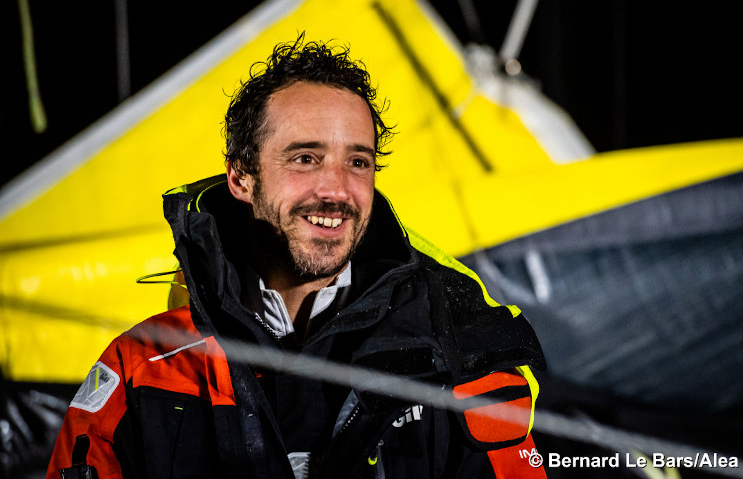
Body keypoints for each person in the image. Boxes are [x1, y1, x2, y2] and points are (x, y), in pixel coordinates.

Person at [47, 35, 546, 478]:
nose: (337, 190)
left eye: (358, 162)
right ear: (241, 178)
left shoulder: (456, 353)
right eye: (305, 158)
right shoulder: (143, 367)